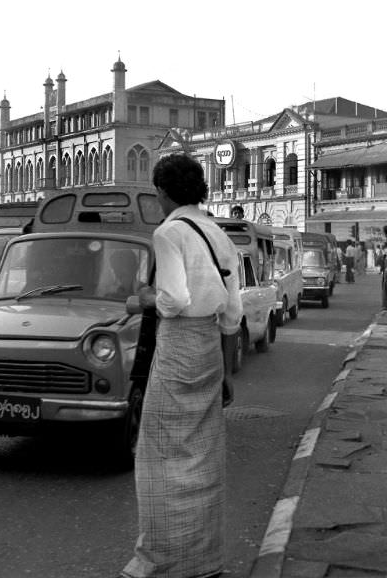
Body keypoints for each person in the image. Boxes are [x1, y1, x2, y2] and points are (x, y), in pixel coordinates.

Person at [121, 153, 242, 578]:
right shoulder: (217, 233)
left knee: (159, 455)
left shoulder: (169, 233)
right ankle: (203, 560)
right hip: (209, 348)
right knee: (203, 457)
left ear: (163, 192)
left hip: (177, 351)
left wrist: (145, 296)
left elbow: (172, 301)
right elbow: (232, 313)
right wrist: (226, 373)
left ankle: (162, 560)